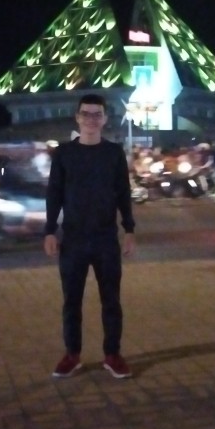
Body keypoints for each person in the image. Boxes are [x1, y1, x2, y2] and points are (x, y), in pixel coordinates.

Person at [44, 93, 136, 379]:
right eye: (86, 113)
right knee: (71, 301)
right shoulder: (64, 153)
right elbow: (54, 193)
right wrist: (50, 230)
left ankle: (112, 355)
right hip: (73, 239)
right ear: (77, 117)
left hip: (106, 238)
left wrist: (129, 229)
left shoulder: (114, 153)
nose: (91, 119)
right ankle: (72, 355)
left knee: (111, 301)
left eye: (97, 114)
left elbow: (123, 193)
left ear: (105, 119)